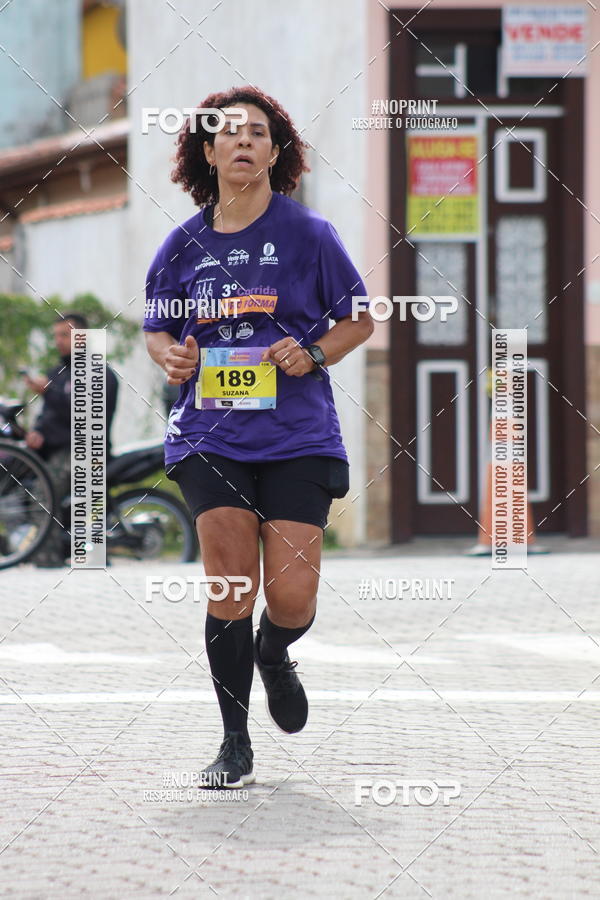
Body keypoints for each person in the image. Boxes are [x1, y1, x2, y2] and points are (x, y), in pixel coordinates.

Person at [143, 86, 373, 788]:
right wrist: (168, 354)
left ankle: (275, 651)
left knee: (294, 594)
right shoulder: (182, 245)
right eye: (229, 134)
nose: (244, 143)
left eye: (258, 134)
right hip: (209, 436)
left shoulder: (310, 236)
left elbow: (359, 318)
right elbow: (157, 327)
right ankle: (234, 742)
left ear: (277, 153)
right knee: (230, 582)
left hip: (298, 435)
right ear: (206, 153)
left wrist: (315, 353)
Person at [24, 313, 119, 567]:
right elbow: (48, 416)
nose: (58, 341)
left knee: (43, 491)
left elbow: (86, 415)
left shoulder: (99, 372)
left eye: (64, 335)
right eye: (56, 335)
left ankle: (49, 559)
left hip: (87, 450)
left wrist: (48, 393)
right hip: (57, 450)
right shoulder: (57, 372)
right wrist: (38, 433)